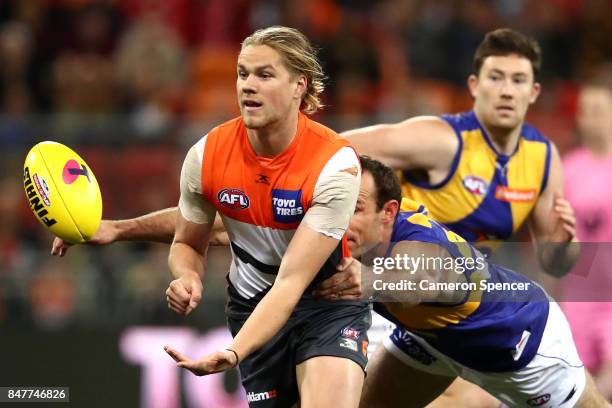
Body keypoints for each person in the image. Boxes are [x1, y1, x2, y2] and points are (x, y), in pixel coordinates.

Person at [327, 28, 580, 407]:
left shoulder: (542, 158)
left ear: (534, 92)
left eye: (518, 80)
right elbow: (330, 151)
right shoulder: (440, 140)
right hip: (389, 294)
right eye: (496, 78)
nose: (507, 90)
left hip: (458, 311)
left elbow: (553, 262)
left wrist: (564, 245)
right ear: (475, 85)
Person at [352, 156, 608, 408]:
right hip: (432, 336)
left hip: (520, 338)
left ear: (388, 212)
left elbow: (419, 284)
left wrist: (362, 279)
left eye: (356, 208)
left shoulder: (418, 242)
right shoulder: (333, 229)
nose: (343, 218)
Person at [560, 80, 612, 400]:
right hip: (579, 295)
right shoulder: (568, 169)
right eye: (584, 111)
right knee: (579, 384)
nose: (589, 118)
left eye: (598, 110)